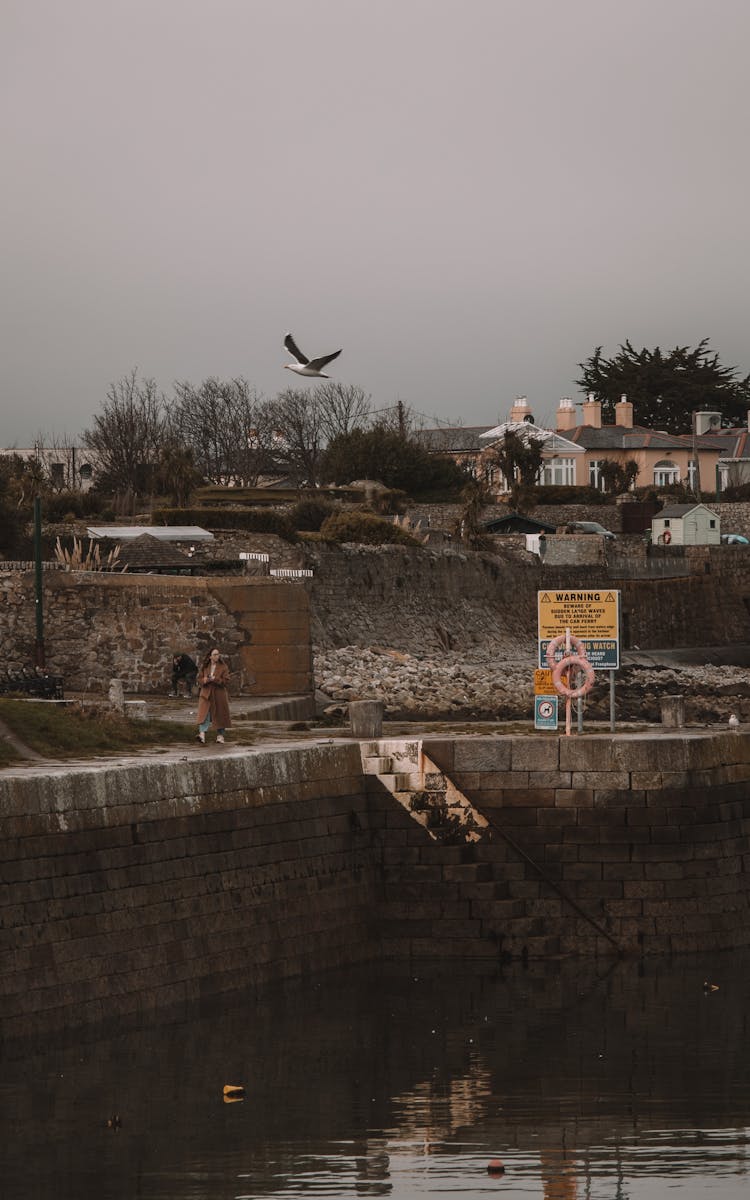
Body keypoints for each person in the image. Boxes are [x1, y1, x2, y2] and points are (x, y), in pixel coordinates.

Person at [195, 648, 231, 744]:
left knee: (219, 714)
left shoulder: (223, 667)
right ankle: (201, 735)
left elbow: (226, 681)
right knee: (204, 714)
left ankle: (220, 736)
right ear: (210, 656)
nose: (217, 656)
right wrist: (205, 680)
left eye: (218, 654)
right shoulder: (205, 666)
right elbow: (199, 679)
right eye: (214, 654)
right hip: (206, 694)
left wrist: (216, 679)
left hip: (218, 694)